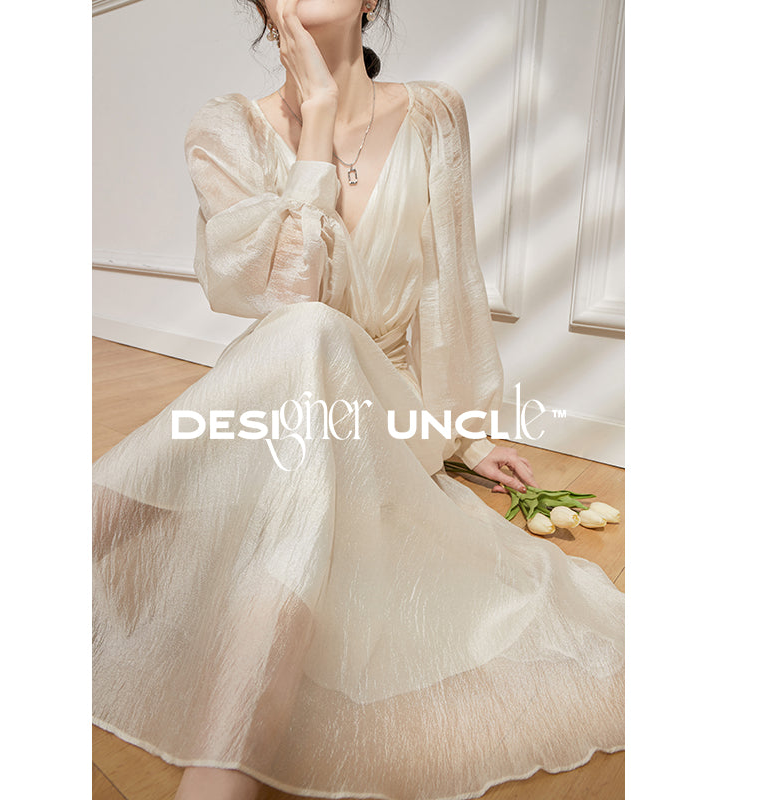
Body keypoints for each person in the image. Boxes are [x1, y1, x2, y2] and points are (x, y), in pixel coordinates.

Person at [91, 1, 625, 799]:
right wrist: (316, 123)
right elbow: (282, 299)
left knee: (311, 341)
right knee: (306, 334)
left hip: (388, 405)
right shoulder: (224, 130)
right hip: (283, 387)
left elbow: (449, 287)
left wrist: (464, 435)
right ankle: (222, 768)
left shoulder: (434, 113)